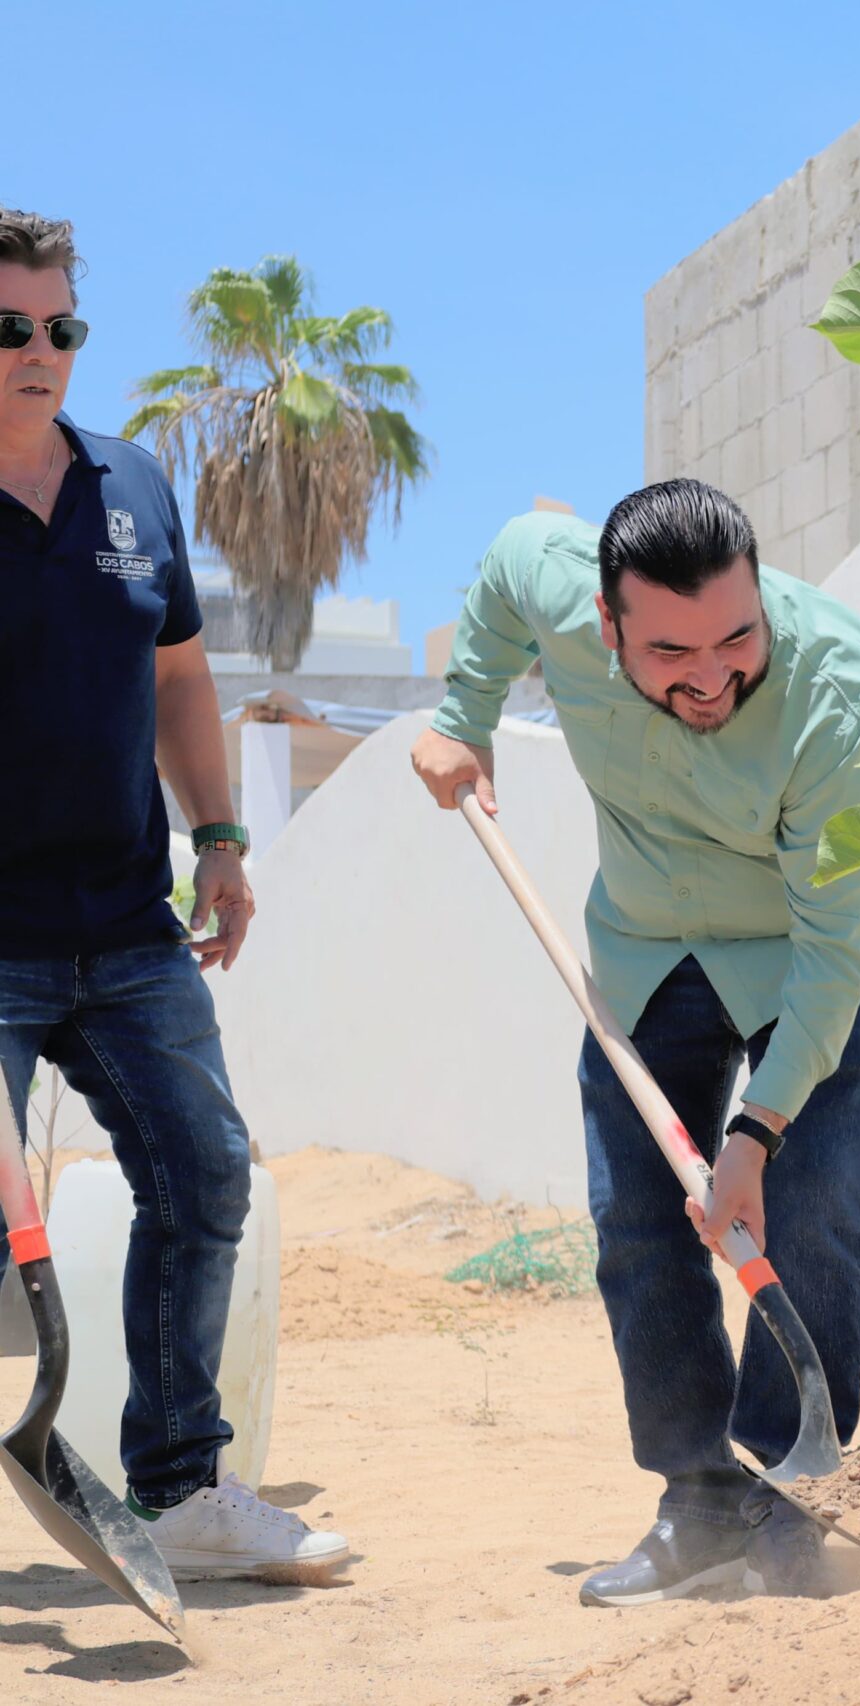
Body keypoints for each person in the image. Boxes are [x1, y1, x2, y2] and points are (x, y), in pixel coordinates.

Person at [412, 480, 860, 1607]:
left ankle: (790, 1500)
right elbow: (504, 555)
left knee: (816, 1202)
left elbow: (832, 959)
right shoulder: (560, 580)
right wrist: (465, 716)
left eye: (739, 636)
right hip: (654, 939)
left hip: (819, 948)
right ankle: (703, 1500)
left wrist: (754, 1135)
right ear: (606, 628)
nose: (711, 673)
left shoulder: (839, 702)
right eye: (671, 651)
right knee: (639, 1217)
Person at [0, 207, 348, 1580]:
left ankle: (183, 1489)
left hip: (128, 926)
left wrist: (217, 836)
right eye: (8, 327)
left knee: (206, 1178)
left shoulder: (133, 485)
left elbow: (183, 678)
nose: (38, 351)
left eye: (60, 328)